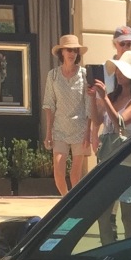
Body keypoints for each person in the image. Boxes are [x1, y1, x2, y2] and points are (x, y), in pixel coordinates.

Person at [91, 52, 131, 239]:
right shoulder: (112, 96)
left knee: (128, 216)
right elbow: (96, 119)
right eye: (117, 69)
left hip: (129, 158)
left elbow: (120, 123)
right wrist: (93, 97)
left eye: (123, 70)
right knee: (103, 214)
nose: (118, 73)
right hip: (109, 158)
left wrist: (104, 99)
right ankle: (107, 253)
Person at [42, 34, 94, 196]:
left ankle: (73, 205)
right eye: (68, 50)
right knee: (58, 173)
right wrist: (48, 132)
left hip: (80, 129)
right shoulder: (53, 75)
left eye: (75, 50)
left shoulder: (85, 75)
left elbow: (89, 106)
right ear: (62, 52)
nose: (72, 53)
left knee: (75, 176)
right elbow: (49, 105)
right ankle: (66, 201)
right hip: (59, 129)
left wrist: (89, 132)